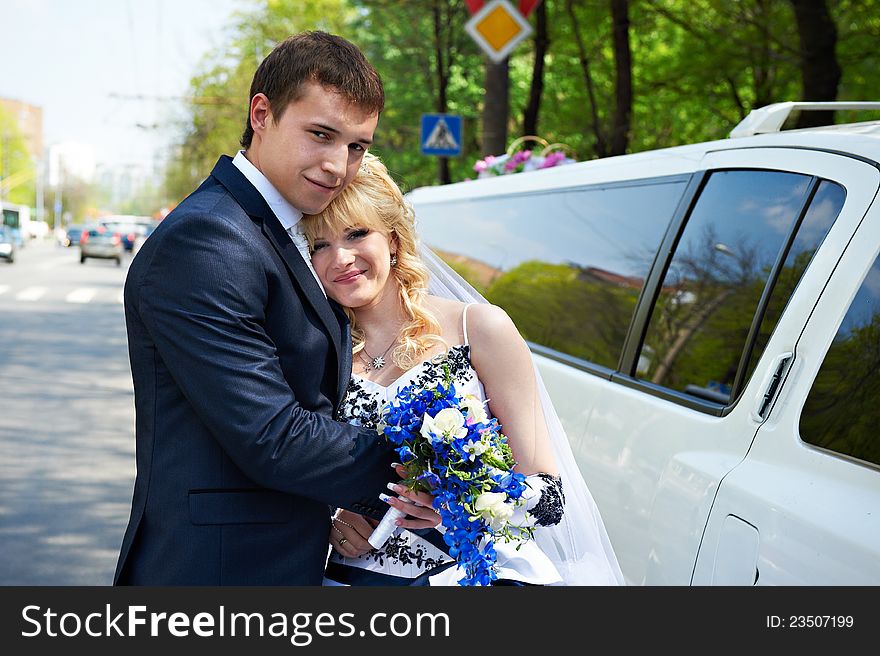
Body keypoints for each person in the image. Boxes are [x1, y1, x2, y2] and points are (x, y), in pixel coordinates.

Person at [114, 32, 408, 585]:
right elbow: (273, 436)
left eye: (357, 146)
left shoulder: (284, 228)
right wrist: (436, 466)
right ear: (262, 113)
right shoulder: (208, 239)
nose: (338, 164)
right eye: (321, 134)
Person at [301, 154, 625, 585]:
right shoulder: (315, 348)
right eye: (320, 245)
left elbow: (549, 497)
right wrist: (332, 521)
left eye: (357, 234)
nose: (340, 258)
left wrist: (456, 500)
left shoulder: (480, 328)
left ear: (393, 238)